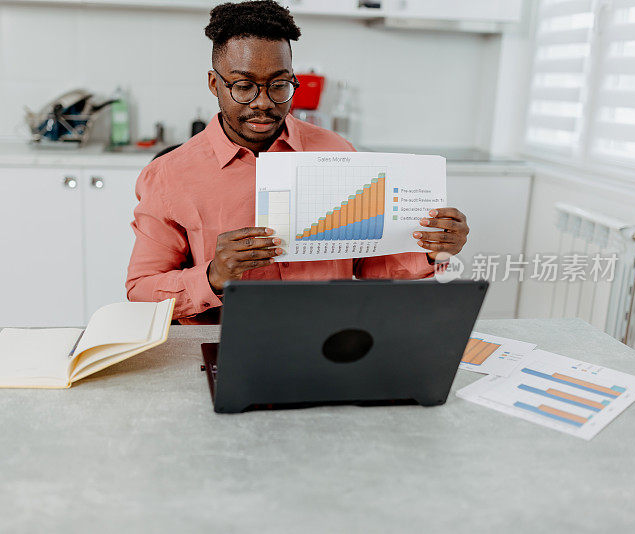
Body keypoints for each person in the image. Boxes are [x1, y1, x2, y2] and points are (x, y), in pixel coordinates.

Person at [125, 0, 469, 324]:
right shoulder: (169, 175)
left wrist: (432, 252)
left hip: (326, 334)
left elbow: (373, 266)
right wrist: (214, 275)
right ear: (215, 84)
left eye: (279, 84)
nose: (263, 103)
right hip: (222, 341)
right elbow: (140, 290)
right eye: (244, 86)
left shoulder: (336, 152)